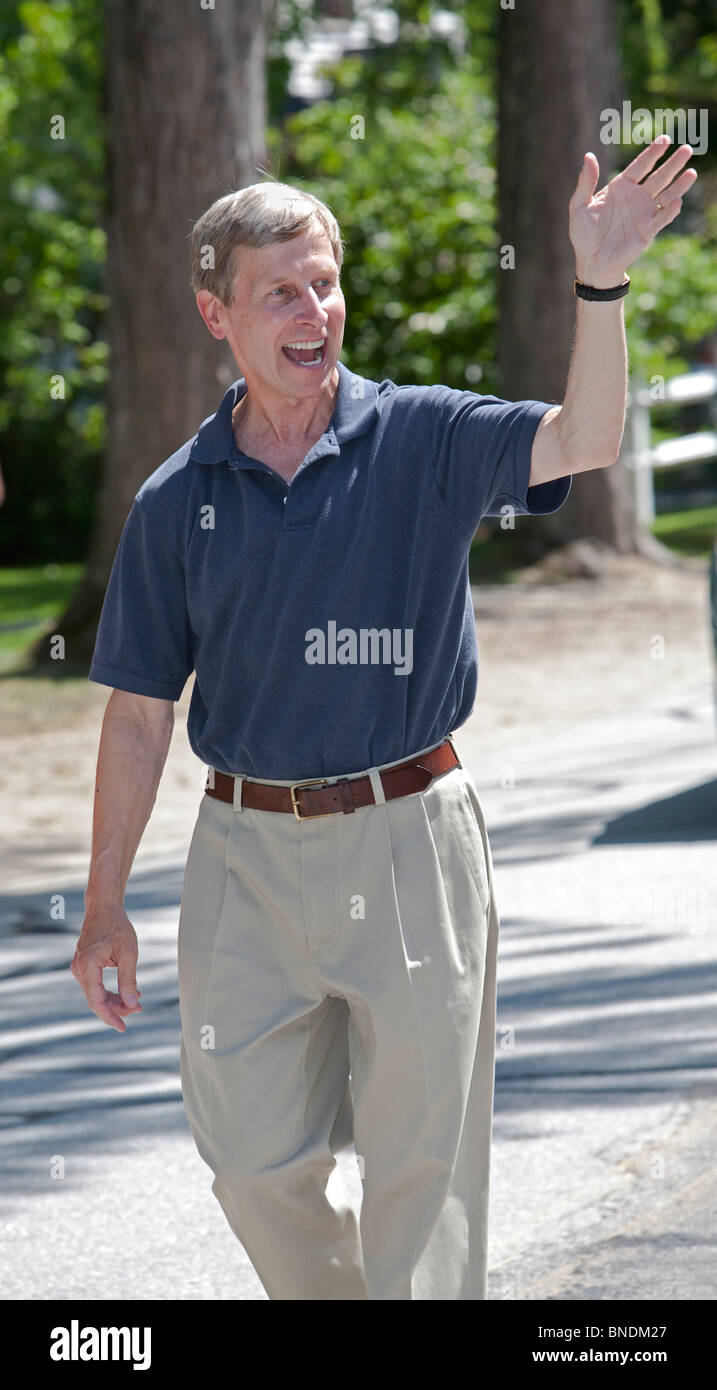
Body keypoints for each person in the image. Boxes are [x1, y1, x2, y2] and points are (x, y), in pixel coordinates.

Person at [72, 136, 696, 1300]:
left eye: (325, 281)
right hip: (242, 854)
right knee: (251, 1161)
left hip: (411, 832)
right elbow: (142, 712)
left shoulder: (423, 436)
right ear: (219, 315)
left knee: (423, 1172)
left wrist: (600, 285)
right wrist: (104, 900)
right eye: (281, 292)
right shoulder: (176, 501)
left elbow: (586, 439)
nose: (314, 310)